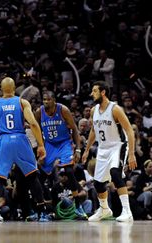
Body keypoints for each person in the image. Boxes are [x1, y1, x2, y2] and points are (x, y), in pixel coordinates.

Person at [0, 77, 50, 222]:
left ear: (1, 90)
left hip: (4, 140)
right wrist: (40, 145)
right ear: (14, 88)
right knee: (32, 176)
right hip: (20, 139)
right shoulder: (22, 102)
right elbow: (32, 123)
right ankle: (42, 212)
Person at [82, 81, 136, 222]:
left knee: (115, 173)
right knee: (98, 183)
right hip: (103, 148)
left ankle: (127, 211)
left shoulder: (115, 109)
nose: (92, 94)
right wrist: (87, 150)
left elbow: (130, 130)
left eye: (94, 91)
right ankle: (105, 210)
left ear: (103, 92)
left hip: (117, 146)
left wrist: (131, 154)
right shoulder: (94, 110)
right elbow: (94, 131)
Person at [34, 91, 87, 219]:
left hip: (64, 143)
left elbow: (74, 129)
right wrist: (40, 147)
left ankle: (78, 205)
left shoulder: (63, 110)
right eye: (44, 100)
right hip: (49, 145)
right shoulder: (39, 112)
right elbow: (35, 130)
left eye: (48, 99)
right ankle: (41, 210)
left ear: (54, 100)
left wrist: (78, 150)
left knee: (69, 170)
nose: (45, 102)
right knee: (39, 175)